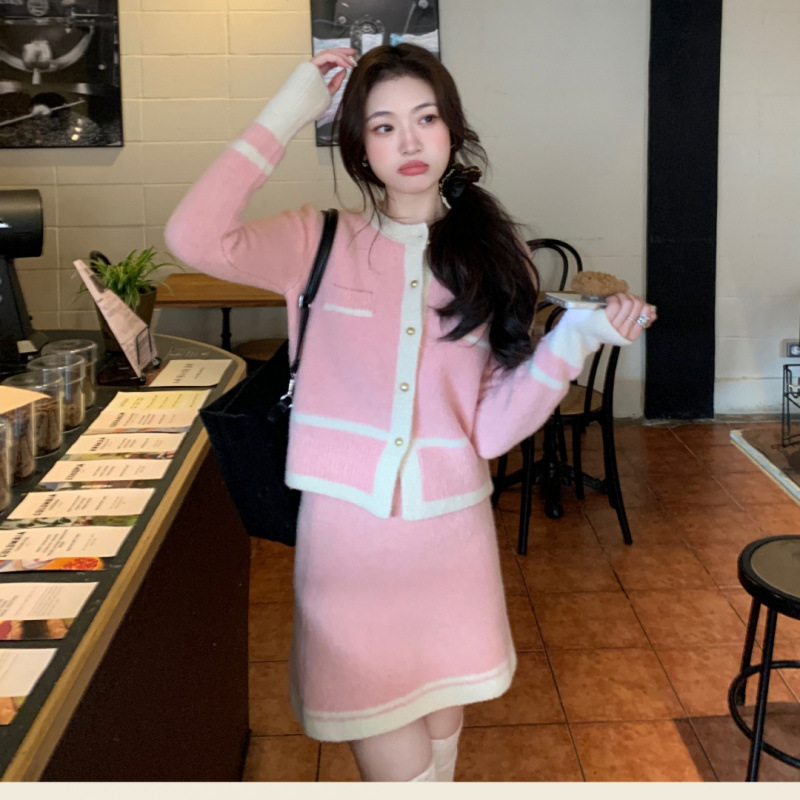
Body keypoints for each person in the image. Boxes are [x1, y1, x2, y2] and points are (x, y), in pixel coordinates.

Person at [165, 43, 656, 782]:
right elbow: (193, 237)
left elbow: (491, 428)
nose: (409, 141)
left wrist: (575, 339)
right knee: (396, 764)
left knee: (438, 746)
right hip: (348, 550)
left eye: (425, 119)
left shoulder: (496, 255)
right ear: (359, 147)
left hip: (451, 544)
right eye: (384, 126)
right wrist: (292, 109)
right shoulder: (316, 240)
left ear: (452, 130)